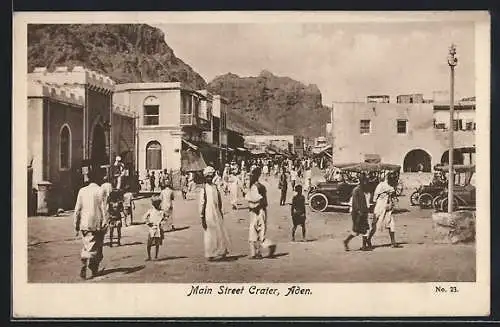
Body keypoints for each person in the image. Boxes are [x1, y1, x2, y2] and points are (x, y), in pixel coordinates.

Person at [74, 170, 108, 279]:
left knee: (87, 245)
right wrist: (105, 222)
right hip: (97, 223)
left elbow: (77, 209)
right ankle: (93, 269)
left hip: (84, 224)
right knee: (97, 247)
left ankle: (85, 264)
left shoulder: (82, 191)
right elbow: (104, 208)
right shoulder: (101, 190)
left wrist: (76, 224)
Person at [199, 166, 230, 261]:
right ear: (205, 177)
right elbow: (202, 203)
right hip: (208, 213)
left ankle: (221, 251)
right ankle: (210, 253)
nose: (209, 178)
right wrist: (202, 217)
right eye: (207, 176)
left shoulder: (215, 187)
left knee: (219, 231)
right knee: (209, 232)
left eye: (211, 176)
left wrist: (220, 211)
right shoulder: (203, 189)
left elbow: (219, 200)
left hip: (216, 212)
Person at [246, 167, 276, 259]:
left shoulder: (255, 187)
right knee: (259, 232)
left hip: (257, 211)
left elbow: (257, 200)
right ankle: (257, 252)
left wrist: (254, 207)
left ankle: (256, 252)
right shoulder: (261, 186)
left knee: (254, 232)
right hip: (261, 211)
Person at [368, 172, 401, 249]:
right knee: (375, 225)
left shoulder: (392, 185)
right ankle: (368, 239)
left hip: (388, 208)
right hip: (380, 207)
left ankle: (393, 242)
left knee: (391, 224)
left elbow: (393, 195)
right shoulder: (381, 185)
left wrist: (391, 202)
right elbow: (375, 197)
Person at [343, 174, 371, 251]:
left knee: (362, 230)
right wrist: (359, 211)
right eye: (364, 181)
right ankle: (346, 241)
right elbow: (355, 203)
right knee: (358, 231)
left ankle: (363, 246)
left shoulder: (362, 190)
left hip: (362, 212)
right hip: (358, 213)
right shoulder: (356, 190)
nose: (365, 183)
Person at [143, 195, 166, 261]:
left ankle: (156, 256)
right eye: (155, 203)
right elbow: (144, 217)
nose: (157, 205)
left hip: (158, 229)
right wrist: (148, 223)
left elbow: (165, 218)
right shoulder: (150, 210)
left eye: (158, 203)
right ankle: (149, 256)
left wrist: (162, 223)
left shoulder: (161, 212)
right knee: (149, 243)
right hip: (152, 229)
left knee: (157, 243)